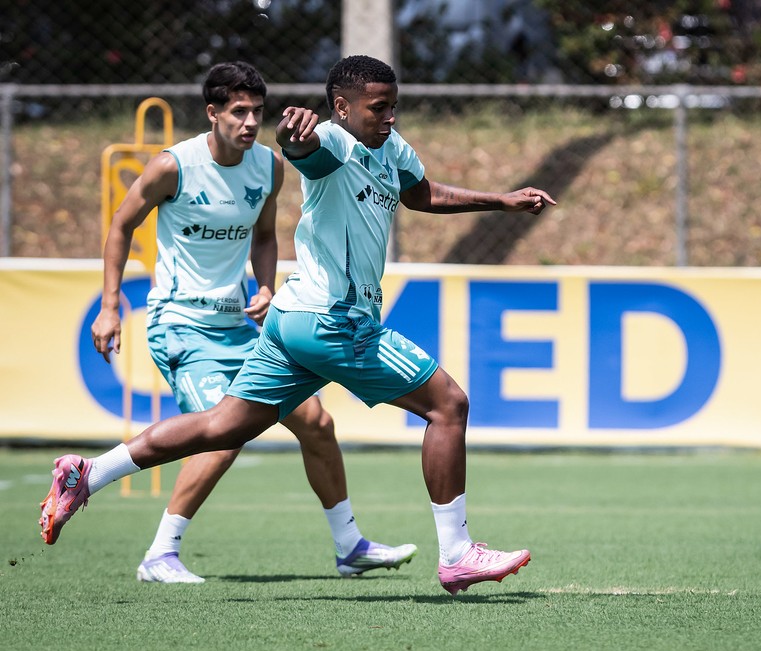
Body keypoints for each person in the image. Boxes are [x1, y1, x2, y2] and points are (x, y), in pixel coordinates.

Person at [40, 54, 555, 595]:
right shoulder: (330, 143)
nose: (390, 117)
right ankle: (456, 554)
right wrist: (292, 133)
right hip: (333, 322)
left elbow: (420, 193)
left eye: (393, 107)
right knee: (448, 405)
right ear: (341, 107)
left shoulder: (391, 148)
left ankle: (87, 474)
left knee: (222, 428)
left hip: (288, 321)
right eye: (378, 108)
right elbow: (301, 148)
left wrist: (502, 200)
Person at [83, 60, 416, 583]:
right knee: (223, 432)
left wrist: (265, 286)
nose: (248, 122)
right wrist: (108, 306)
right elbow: (121, 226)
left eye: (256, 112)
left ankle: (349, 546)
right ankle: (159, 554)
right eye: (237, 112)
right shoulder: (174, 166)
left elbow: (264, 236)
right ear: (212, 113)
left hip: (240, 324)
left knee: (318, 423)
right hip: (180, 324)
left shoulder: (268, 166)